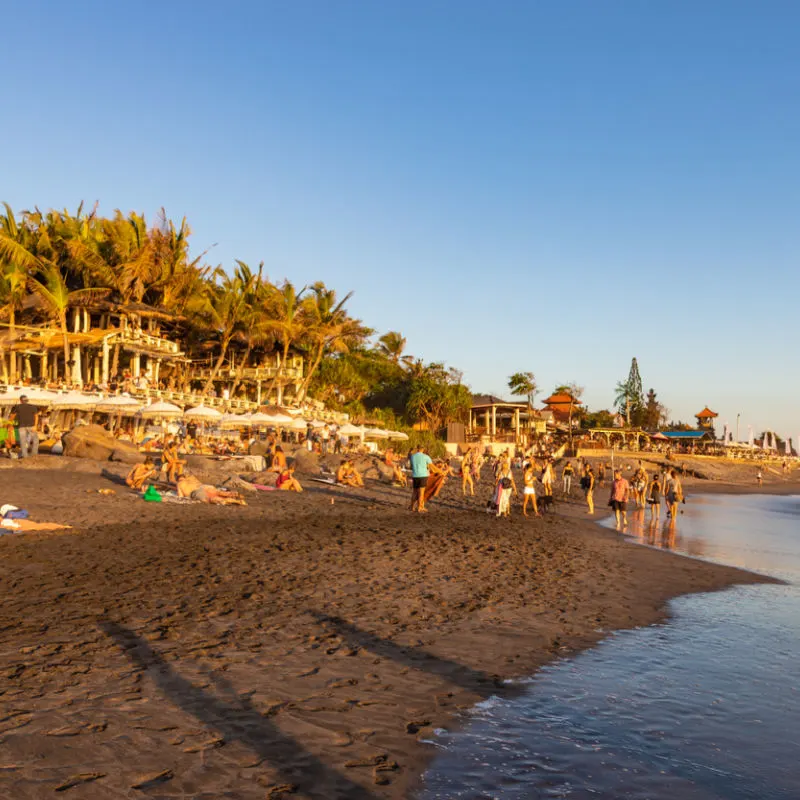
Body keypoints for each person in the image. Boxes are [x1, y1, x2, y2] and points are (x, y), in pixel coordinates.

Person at [177, 474, 246, 505]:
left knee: (211, 499)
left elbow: (180, 496)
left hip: (195, 492)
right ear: (184, 477)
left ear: (178, 479)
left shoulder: (179, 484)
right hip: (203, 487)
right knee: (218, 492)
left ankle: (237, 502)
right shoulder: (190, 479)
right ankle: (234, 495)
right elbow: (199, 484)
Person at [9, 395, 39, 459]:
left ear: (20, 400)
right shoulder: (33, 407)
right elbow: (36, 416)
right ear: (27, 400)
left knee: (22, 441)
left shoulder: (17, 407)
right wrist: (35, 426)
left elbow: (12, 416)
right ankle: (34, 454)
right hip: (31, 426)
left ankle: (25, 456)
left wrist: (10, 423)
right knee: (35, 440)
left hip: (21, 426)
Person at [409, 445, 433, 513]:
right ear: (423, 449)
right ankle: (419, 507)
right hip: (423, 476)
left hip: (415, 475)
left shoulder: (412, 456)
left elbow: (411, 467)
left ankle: (411, 506)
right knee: (421, 493)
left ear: (417, 449)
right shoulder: (426, 457)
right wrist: (441, 472)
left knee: (414, 492)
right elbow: (431, 467)